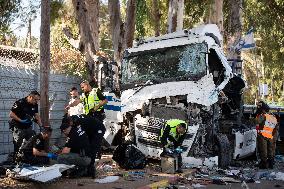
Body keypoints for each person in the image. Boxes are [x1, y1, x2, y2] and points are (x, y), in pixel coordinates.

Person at [9, 90, 42, 160]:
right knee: (18, 144)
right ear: (30, 97)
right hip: (18, 127)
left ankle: (27, 159)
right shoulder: (20, 103)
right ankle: (16, 160)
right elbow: (11, 114)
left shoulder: (35, 104)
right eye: (36, 100)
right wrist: (21, 120)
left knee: (31, 141)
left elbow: (36, 115)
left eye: (38, 100)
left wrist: (41, 125)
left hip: (28, 127)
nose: (37, 102)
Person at [255, 101, 278, 169]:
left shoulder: (263, 115)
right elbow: (276, 126)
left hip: (263, 136)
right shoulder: (272, 115)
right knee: (271, 149)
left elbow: (257, 121)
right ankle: (271, 163)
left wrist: (256, 116)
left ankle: (264, 164)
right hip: (271, 135)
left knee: (263, 150)